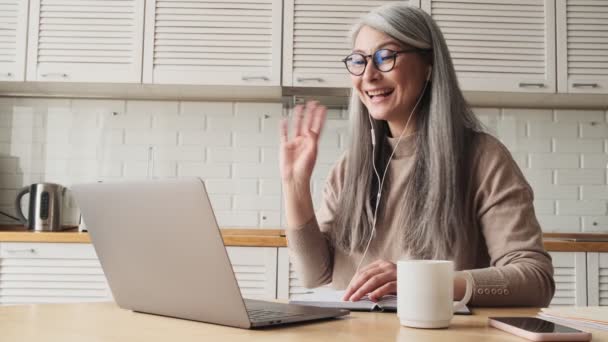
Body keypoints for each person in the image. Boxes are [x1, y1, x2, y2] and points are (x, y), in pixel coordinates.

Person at [279, 3, 555, 307]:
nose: (368, 75)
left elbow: (535, 279)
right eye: (359, 61)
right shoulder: (349, 168)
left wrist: (421, 280)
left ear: (429, 66)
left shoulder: (483, 158)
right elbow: (313, 275)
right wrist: (295, 186)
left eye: (386, 57)